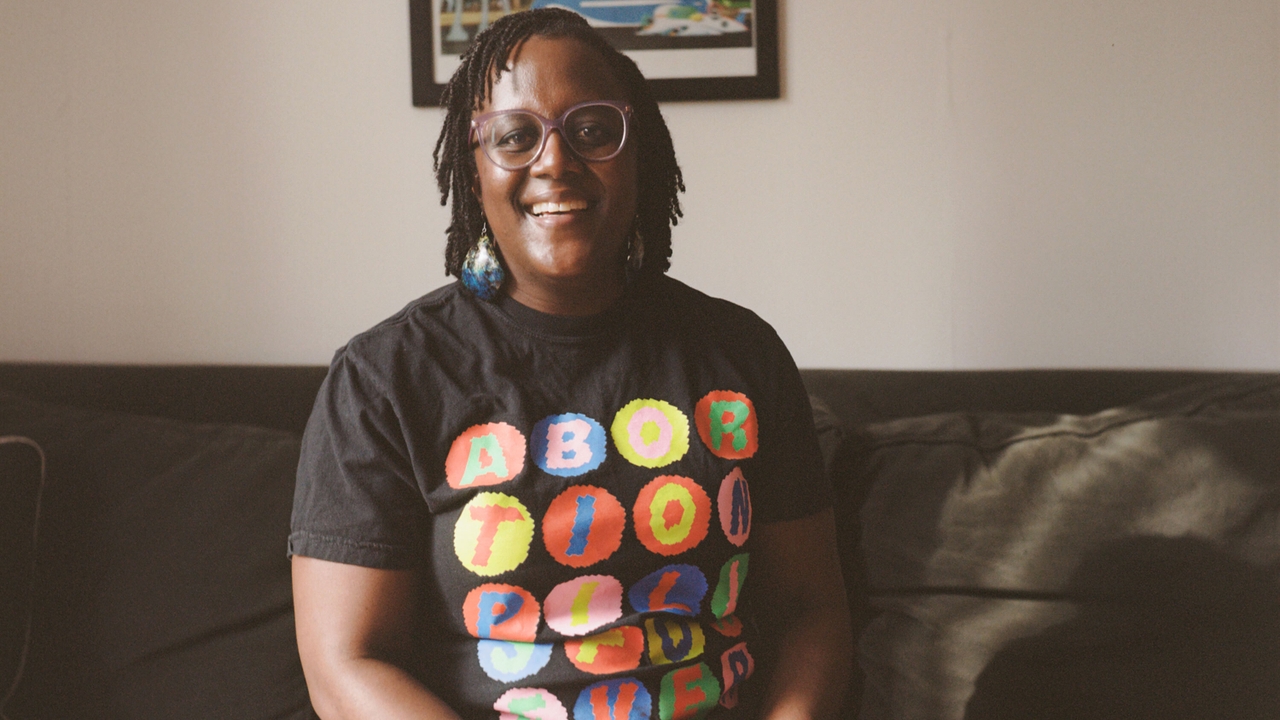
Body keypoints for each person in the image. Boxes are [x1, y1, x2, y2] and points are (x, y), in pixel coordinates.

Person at [289, 8, 851, 720]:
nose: (555, 162)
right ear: (474, 169)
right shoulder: (386, 379)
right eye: (515, 136)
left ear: (638, 154)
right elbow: (346, 664)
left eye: (591, 131)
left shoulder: (741, 354)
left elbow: (811, 611)